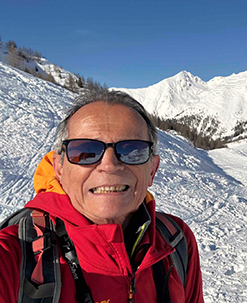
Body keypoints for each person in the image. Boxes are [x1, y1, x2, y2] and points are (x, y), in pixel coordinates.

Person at [0, 90, 204, 302]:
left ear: (152, 169)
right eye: (85, 151)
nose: (109, 165)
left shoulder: (175, 241)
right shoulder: (15, 256)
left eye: (132, 150)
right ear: (59, 168)